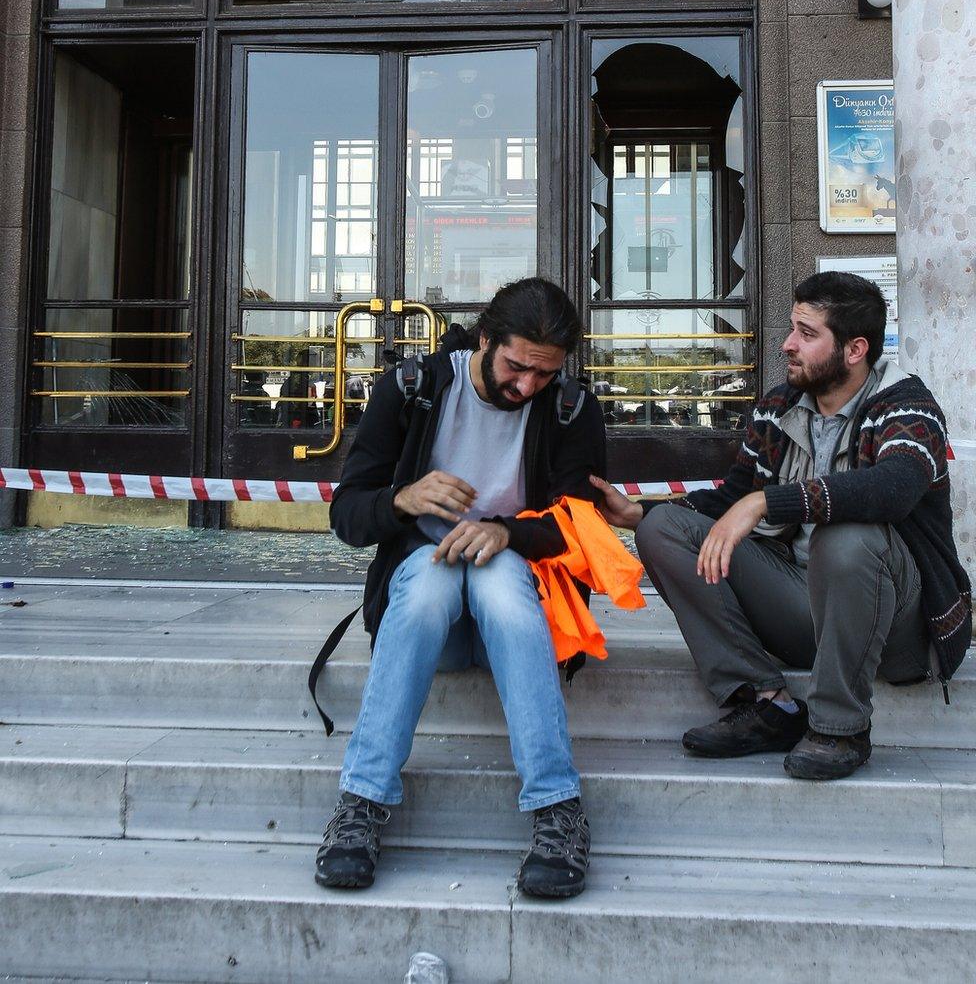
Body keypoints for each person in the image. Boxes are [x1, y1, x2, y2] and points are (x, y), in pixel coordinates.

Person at [592, 271, 972, 780]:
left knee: (846, 532)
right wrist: (637, 512)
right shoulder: (778, 408)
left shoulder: (907, 405)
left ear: (855, 349)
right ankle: (767, 701)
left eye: (807, 334)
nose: (789, 344)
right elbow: (730, 499)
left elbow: (893, 489)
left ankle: (840, 728)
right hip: (803, 604)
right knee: (663, 529)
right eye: (793, 328)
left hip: (897, 627)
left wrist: (769, 502)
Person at [317, 277, 607, 895]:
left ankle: (557, 809)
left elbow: (581, 523)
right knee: (426, 582)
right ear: (484, 339)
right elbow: (347, 515)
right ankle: (362, 803)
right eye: (516, 367)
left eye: (544, 374)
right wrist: (402, 499)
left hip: (521, 607)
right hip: (431, 610)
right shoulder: (413, 389)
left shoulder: (570, 408)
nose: (527, 386)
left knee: (499, 579)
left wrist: (508, 533)